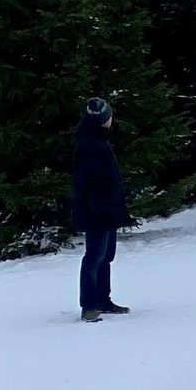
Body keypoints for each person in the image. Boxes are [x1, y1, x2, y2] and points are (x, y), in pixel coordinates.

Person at [72, 97, 129, 322]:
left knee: (106, 256)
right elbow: (91, 183)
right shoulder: (90, 145)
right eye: (108, 117)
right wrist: (101, 209)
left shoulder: (99, 140)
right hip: (97, 212)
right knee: (94, 257)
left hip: (107, 210)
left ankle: (103, 300)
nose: (111, 120)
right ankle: (89, 305)